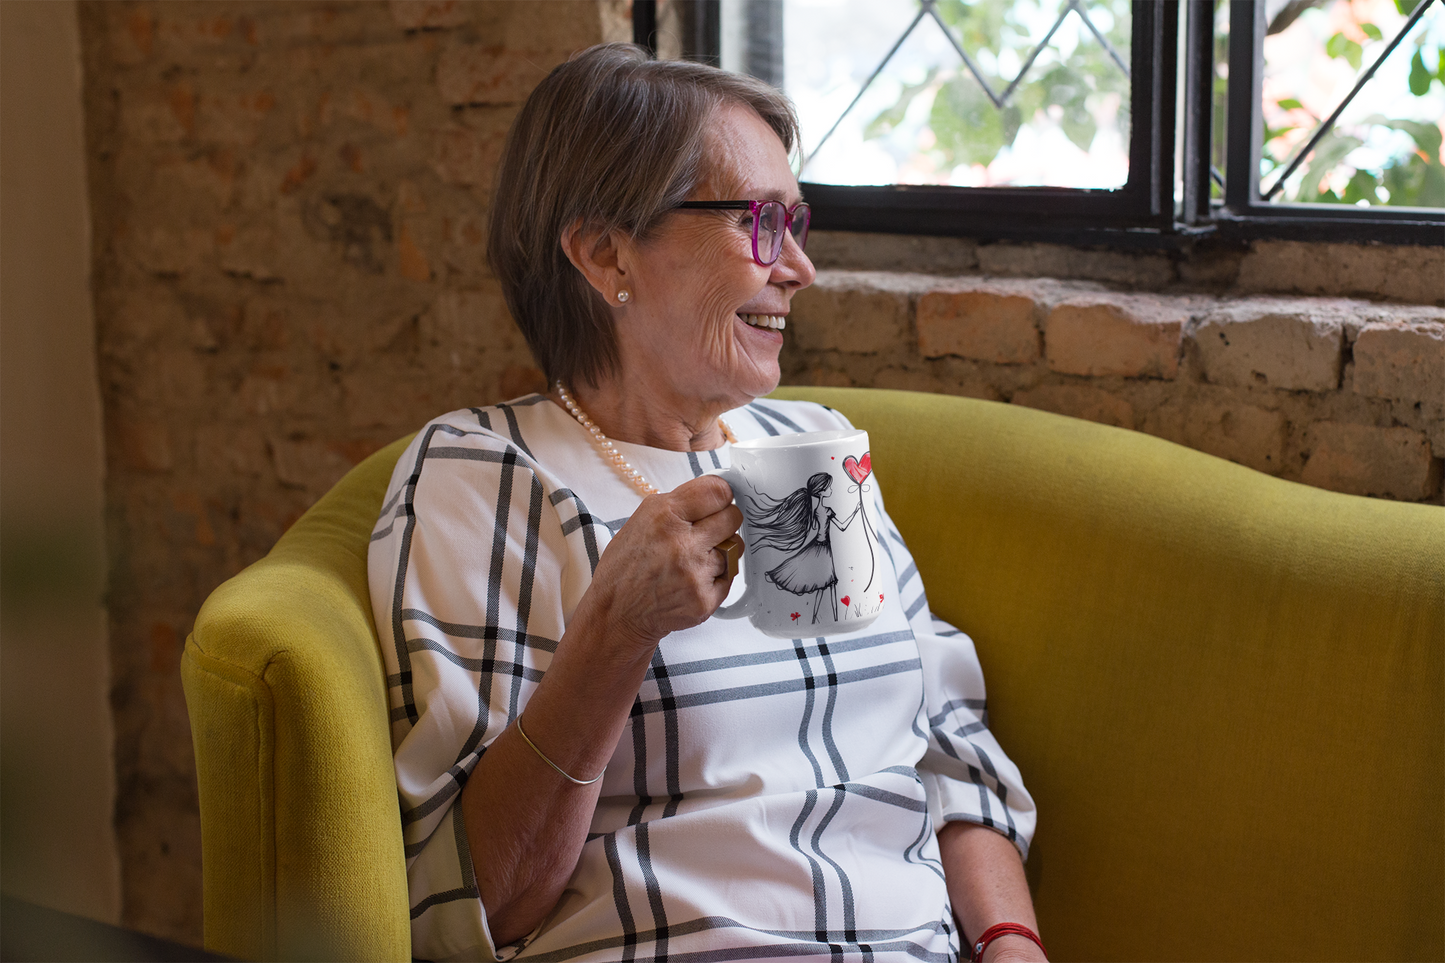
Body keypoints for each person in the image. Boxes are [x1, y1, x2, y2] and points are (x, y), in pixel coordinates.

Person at [368, 43, 1044, 963]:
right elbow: (476, 904)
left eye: (797, 222)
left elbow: (945, 752)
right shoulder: (485, 476)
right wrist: (613, 632)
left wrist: (1009, 943)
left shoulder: (812, 445)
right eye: (760, 222)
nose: (800, 267)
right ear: (605, 251)